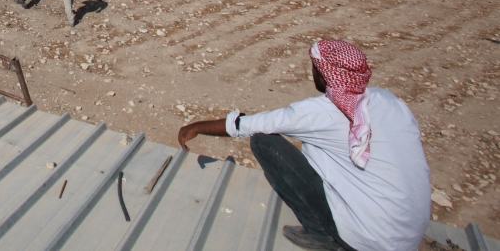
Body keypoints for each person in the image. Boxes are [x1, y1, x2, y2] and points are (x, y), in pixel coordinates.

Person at [177, 40, 430, 251]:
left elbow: (248, 125)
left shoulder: (318, 112)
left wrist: (195, 127)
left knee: (264, 142)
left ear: (322, 73)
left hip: (367, 241)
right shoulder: (389, 100)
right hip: (409, 236)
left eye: (314, 67)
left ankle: (321, 234)